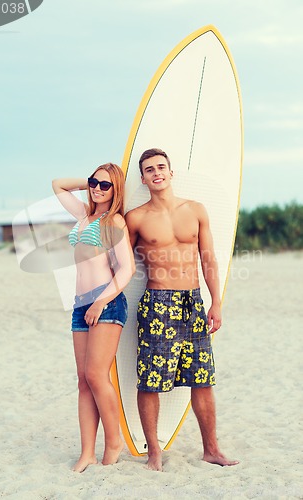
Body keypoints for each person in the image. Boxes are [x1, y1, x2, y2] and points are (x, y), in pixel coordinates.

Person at [125, 148, 239, 471]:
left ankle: (211, 449)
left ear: (171, 173)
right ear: (144, 178)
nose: (156, 172)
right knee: (150, 380)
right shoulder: (137, 218)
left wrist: (216, 301)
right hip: (158, 304)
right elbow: (121, 262)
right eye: (149, 170)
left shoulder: (196, 210)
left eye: (161, 167)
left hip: (193, 302)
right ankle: (154, 453)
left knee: (202, 378)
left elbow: (208, 258)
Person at [52, 163, 135, 473]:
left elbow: (127, 269)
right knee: (84, 381)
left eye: (106, 185)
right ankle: (87, 452)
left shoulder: (113, 221)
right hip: (80, 303)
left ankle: (113, 442)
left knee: (97, 375)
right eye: (94, 182)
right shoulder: (84, 215)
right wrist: (89, 180)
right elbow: (58, 184)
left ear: (116, 190)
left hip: (106, 302)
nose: (98, 188)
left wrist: (100, 302)